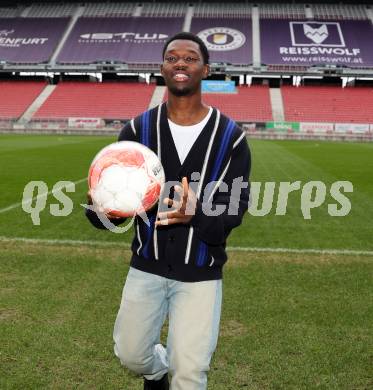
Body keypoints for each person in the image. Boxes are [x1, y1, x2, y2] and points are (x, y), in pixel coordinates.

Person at [86, 32, 251, 390]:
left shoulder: (230, 136)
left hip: (201, 272)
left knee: (189, 374)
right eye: (172, 57)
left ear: (206, 68)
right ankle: (157, 371)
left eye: (190, 58)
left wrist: (198, 214)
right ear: (162, 67)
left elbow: (235, 208)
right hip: (147, 264)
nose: (180, 63)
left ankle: (176, 374)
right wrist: (105, 209)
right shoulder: (137, 130)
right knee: (131, 354)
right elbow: (115, 210)